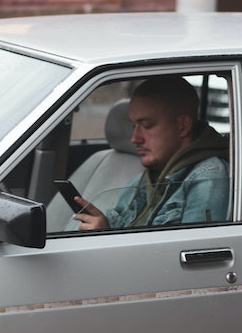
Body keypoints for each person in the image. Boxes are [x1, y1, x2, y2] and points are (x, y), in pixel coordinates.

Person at [73, 76, 230, 230]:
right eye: (133, 126)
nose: (134, 138)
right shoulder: (144, 180)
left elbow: (189, 252)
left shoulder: (207, 179)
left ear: (183, 126)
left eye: (146, 125)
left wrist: (105, 238)